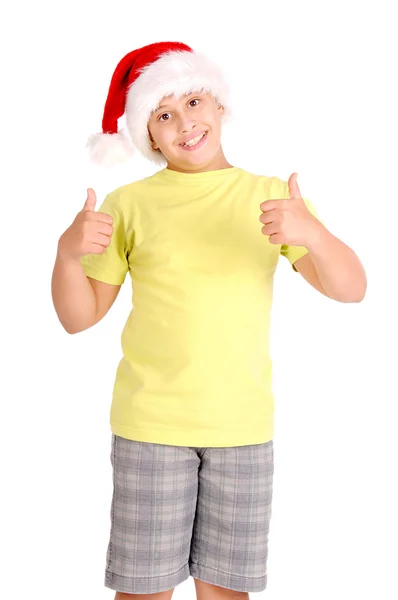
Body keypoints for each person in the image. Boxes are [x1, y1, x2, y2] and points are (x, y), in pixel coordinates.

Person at [51, 41, 367, 600]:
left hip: (241, 430)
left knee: (225, 592)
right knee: (143, 590)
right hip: (151, 427)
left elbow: (350, 289)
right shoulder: (128, 205)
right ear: (147, 135)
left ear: (220, 105)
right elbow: (78, 318)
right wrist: (66, 255)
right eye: (163, 114)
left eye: (194, 102)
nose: (184, 123)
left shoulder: (271, 199)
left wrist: (314, 233)